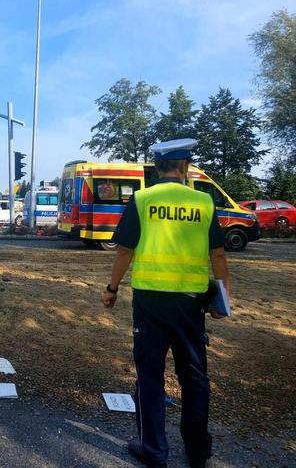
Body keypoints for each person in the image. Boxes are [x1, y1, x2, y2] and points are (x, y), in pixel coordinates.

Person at [101, 138, 231, 468]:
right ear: (185, 167)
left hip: (150, 303)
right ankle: (198, 450)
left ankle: (154, 449)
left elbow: (124, 251)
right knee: (194, 377)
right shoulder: (203, 202)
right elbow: (217, 254)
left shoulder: (142, 200)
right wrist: (223, 300)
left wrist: (112, 288)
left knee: (150, 375)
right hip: (191, 304)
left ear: (157, 168)